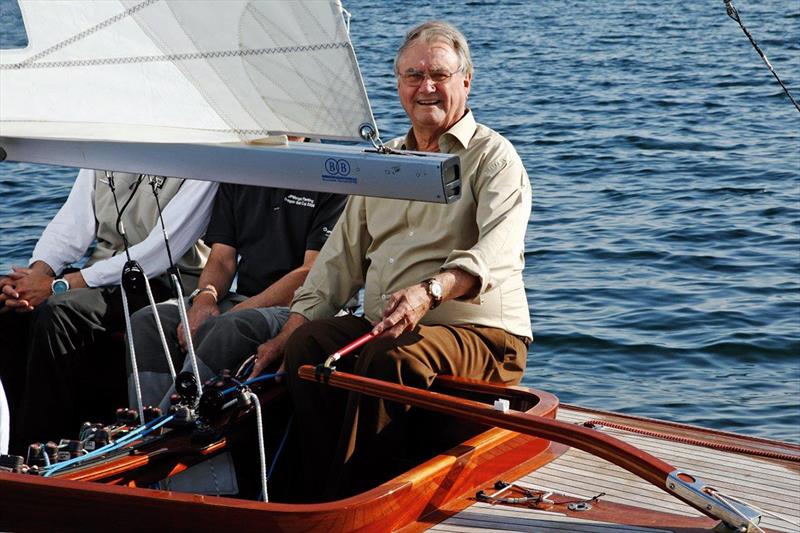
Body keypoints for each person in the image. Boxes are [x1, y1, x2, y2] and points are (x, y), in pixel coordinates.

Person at [247, 21, 533, 500]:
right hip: (392, 327)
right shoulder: (382, 163)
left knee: (389, 356)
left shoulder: (494, 158)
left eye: (439, 75)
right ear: (398, 84)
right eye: (412, 75)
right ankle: (316, 493)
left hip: (484, 337)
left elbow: (496, 252)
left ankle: (360, 500)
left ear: (466, 81)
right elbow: (335, 265)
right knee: (310, 346)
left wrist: (430, 291)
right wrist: (286, 334)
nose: (426, 88)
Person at [0, 169, 216, 453]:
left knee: (59, 314)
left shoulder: (201, 165)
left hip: (164, 281)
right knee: (9, 306)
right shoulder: (105, 148)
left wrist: (58, 285)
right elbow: (71, 222)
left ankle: (40, 448)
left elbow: (160, 250)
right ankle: (8, 441)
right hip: (99, 275)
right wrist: (33, 276)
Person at [128, 180, 347, 413]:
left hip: (299, 308)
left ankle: (172, 427)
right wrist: (204, 299)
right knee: (150, 320)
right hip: (244, 301)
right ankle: (147, 420)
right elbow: (222, 259)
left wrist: (233, 314)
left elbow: (311, 272)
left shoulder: (328, 180)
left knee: (226, 328)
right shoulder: (241, 173)